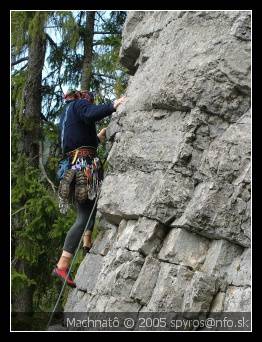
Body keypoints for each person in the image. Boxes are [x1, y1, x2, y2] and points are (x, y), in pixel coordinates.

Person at [52, 89, 125, 287]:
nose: (89, 103)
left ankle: (87, 242)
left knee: (89, 209)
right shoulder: (79, 105)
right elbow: (91, 113)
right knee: (84, 216)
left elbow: (81, 141)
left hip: (73, 167)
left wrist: (99, 138)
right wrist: (113, 104)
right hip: (83, 168)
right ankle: (63, 264)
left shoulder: (67, 115)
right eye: (89, 101)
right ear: (83, 99)